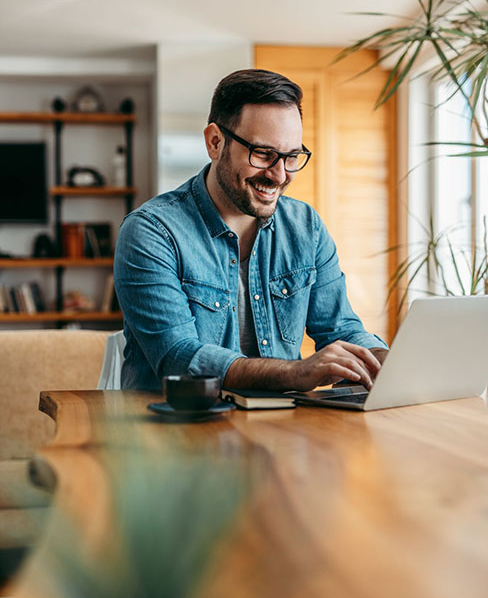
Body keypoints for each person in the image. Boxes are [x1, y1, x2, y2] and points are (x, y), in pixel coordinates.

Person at [114, 69, 388, 392]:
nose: (279, 175)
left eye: (291, 157)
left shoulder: (306, 228)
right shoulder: (151, 233)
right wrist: (297, 373)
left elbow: (341, 329)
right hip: (176, 434)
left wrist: (386, 360)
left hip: (282, 431)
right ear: (215, 142)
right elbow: (179, 357)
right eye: (263, 154)